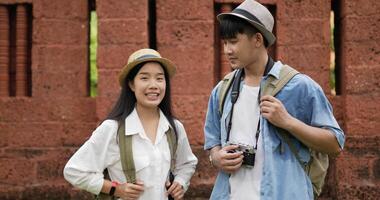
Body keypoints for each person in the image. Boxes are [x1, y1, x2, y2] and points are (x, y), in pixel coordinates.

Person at [203, 0, 345, 199]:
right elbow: (213, 143)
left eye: (233, 41)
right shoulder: (222, 90)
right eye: (225, 42)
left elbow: (335, 144)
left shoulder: (299, 86)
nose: (227, 50)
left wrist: (288, 122)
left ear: (258, 40)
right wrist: (217, 157)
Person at [64, 48, 198, 200]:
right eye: (144, 78)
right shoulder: (112, 129)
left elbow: (187, 163)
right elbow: (74, 171)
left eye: (160, 78)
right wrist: (115, 189)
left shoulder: (174, 128)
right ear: (131, 84)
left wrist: (180, 183)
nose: (154, 85)